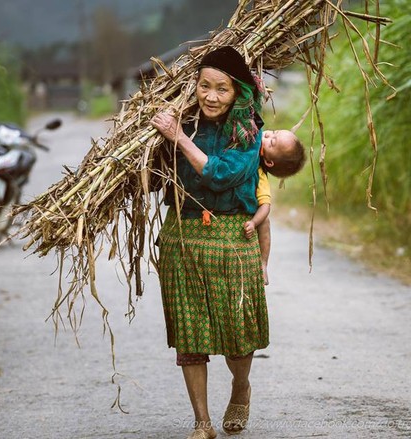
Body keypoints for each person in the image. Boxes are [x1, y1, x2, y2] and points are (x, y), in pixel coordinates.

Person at [150, 46, 268, 439]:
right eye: (204, 86)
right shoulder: (181, 119)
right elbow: (153, 175)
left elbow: (219, 174)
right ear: (194, 86)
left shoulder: (248, 131)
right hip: (182, 235)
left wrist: (178, 138)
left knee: (237, 332)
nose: (211, 96)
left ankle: (240, 385)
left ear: (238, 93)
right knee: (189, 331)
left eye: (222, 89)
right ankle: (202, 421)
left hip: (233, 237)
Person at [243, 129, 306, 284]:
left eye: (271, 142)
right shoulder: (251, 134)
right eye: (273, 132)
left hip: (251, 211)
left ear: (269, 162)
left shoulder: (259, 174)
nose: (267, 135)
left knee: (265, 223)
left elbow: (265, 206)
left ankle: (263, 264)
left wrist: (254, 222)